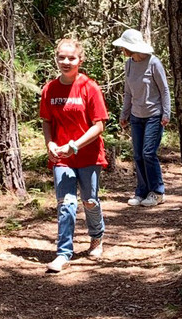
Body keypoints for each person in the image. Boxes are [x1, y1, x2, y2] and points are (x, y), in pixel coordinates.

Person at [39, 38, 109, 272]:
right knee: (66, 204)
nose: (66, 62)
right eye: (62, 57)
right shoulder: (50, 89)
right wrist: (50, 144)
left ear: (80, 60)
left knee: (89, 200)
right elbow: (46, 121)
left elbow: (99, 125)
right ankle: (63, 253)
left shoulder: (90, 87)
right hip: (62, 158)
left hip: (88, 155)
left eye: (71, 58)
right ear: (56, 58)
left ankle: (97, 235)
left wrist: (75, 145)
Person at [112, 29, 171, 207]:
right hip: (136, 116)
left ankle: (157, 191)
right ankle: (142, 191)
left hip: (154, 115)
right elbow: (128, 92)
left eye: (124, 47)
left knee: (148, 153)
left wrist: (166, 113)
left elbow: (164, 90)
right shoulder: (129, 64)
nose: (122, 50)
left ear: (132, 47)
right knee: (138, 155)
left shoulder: (154, 63)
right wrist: (124, 114)